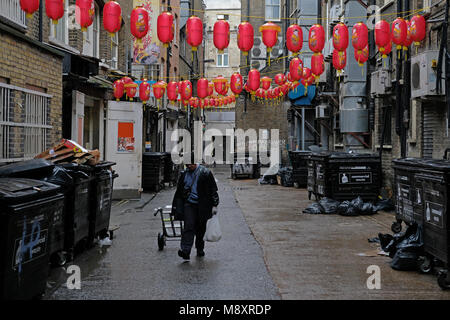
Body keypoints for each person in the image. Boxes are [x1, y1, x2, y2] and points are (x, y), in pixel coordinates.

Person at [172, 155, 219, 260]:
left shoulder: (205, 173)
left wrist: (215, 204)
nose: (188, 166)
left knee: (200, 228)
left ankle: (200, 248)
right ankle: (185, 251)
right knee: (188, 226)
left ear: (195, 163)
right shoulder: (184, 174)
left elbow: (213, 190)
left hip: (203, 205)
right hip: (189, 204)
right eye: (187, 165)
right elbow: (179, 191)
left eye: (190, 164)